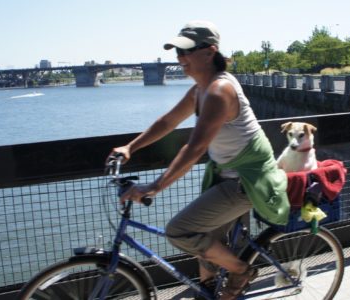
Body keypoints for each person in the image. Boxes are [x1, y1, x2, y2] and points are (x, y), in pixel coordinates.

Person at [108, 20, 290, 299]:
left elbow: (194, 148)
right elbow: (167, 121)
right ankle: (208, 289)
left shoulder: (219, 91)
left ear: (209, 52)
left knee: (180, 231)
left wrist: (153, 187)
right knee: (206, 241)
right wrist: (131, 147)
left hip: (248, 180)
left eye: (186, 52)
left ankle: (241, 271)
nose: (180, 58)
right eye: (177, 53)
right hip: (227, 174)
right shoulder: (200, 90)